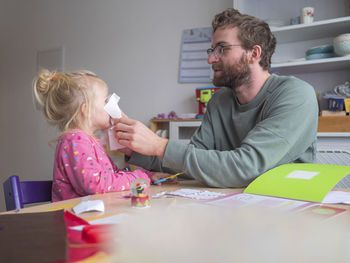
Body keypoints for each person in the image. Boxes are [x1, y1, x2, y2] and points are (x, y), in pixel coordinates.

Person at [114, 8, 319, 188]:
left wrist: (160, 145)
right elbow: (194, 164)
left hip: (290, 206)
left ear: (253, 54)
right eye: (212, 50)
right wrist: (135, 149)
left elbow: (246, 167)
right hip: (238, 205)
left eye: (222, 49)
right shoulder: (219, 101)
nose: (211, 59)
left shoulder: (296, 95)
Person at [33, 69, 169, 201]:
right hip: (76, 220)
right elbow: (96, 184)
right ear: (86, 110)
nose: (112, 105)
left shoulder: (88, 141)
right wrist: (139, 177)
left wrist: (148, 176)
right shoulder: (75, 141)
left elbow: (112, 176)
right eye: (105, 101)